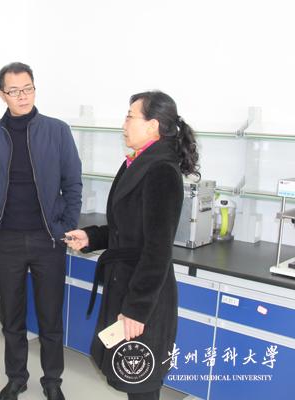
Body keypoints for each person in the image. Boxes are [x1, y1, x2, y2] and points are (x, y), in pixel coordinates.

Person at [65, 91, 200, 400]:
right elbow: (126, 229)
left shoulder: (161, 171)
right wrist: (91, 237)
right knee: (131, 377)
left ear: (153, 125)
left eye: (129, 117)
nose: (124, 124)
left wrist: (136, 311)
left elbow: (157, 250)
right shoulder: (135, 163)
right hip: (125, 283)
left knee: (142, 383)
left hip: (144, 295)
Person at [0, 62, 82, 400]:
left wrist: (65, 226)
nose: (22, 96)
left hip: (48, 238)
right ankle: (16, 377)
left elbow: (72, 183)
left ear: (34, 88)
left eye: (28, 88)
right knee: (12, 315)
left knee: (50, 316)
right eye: (14, 91)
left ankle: (52, 381)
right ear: (2, 94)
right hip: (5, 239)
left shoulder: (57, 130)